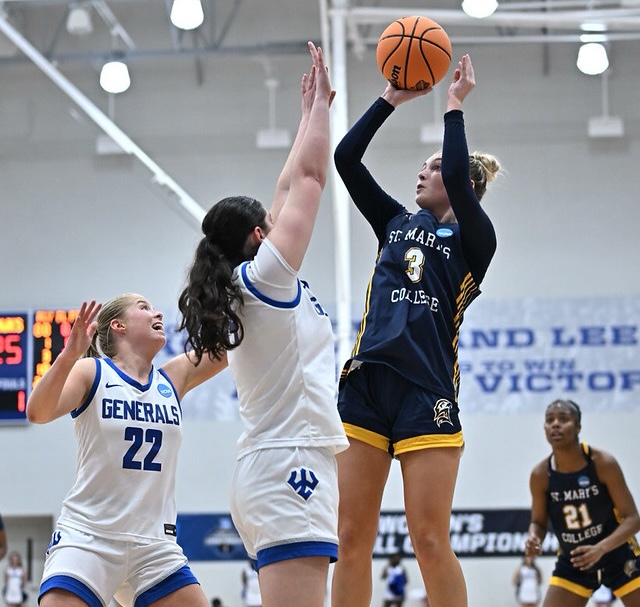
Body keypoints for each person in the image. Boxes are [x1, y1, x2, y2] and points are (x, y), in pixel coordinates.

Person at [177, 42, 347, 607]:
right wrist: (322, 109)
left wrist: (305, 119)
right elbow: (310, 182)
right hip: (288, 464)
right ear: (258, 237)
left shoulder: (247, 283)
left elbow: (284, 188)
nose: (279, 223)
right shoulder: (266, 279)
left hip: (275, 464)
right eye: (268, 225)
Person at [330, 54, 501, 607]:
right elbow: (346, 158)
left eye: (430, 168)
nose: (422, 174)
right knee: (351, 539)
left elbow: (454, 171)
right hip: (367, 384)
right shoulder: (396, 222)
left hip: (426, 391)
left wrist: (453, 106)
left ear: (464, 186)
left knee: (429, 539)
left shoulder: (476, 241)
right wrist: (389, 99)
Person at [26, 296, 228, 607]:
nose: (157, 312)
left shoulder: (172, 378)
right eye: (145, 307)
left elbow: (234, 345)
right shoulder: (92, 371)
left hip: (154, 546)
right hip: (89, 538)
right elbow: (37, 412)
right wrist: (68, 356)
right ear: (119, 326)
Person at [525, 398, 640, 606]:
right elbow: (539, 522)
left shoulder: (602, 463)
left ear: (578, 426)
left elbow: (633, 519)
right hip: (575, 560)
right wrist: (534, 537)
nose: (556, 424)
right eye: (550, 420)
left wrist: (600, 549)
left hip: (618, 554)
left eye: (563, 419)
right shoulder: (540, 474)